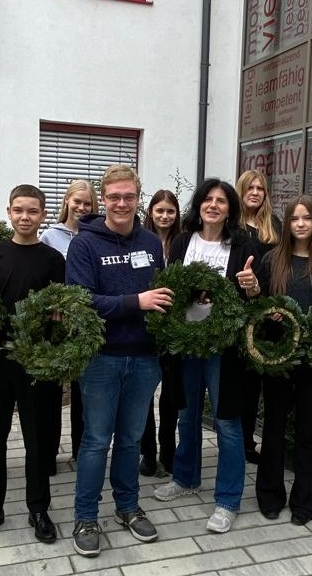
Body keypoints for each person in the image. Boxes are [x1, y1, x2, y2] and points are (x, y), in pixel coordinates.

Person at [67, 164, 172, 558]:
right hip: (101, 360)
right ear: (104, 200)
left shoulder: (150, 242)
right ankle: (85, 516)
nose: (122, 203)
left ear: (137, 197)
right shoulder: (85, 243)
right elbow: (80, 299)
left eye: (129, 196)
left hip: (144, 358)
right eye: (114, 197)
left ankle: (128, 507)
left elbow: (161, 295)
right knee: (96, 441)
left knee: (130, 440)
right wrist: (135, 303)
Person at [153, 178, 259, 534]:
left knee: (228, 421)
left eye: (222, 201)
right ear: (198, 205)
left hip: (224, 346)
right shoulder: (183, 241)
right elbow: (173, 287)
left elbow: (252, 296)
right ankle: (186, 478)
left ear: (231, 208)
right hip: (187, 341)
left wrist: (252, 288)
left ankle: (227, 500)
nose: (214, 205)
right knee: (187, 413)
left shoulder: (244, 243)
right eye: (208, 200)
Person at [0, 185, 65, 546]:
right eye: (19, 210)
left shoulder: (53, 260)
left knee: (38, 440)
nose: (25, 217)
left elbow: (63, 309)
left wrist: (59, 315)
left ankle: (38, 507)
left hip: (36, 362)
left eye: (32, 211)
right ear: (8, 212)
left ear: (43, 214)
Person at [253, 195, 312, 526]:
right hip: (279, 358)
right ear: (286, 223)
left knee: (307, 429)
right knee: (273, 428)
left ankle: (305, 501)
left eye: (307, 218)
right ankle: (269, 495)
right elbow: (258, 307)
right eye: (294, 219)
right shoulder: (272, 261)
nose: (301, 224)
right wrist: (267, 313)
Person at [40, 179, 99, 467]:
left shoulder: (94, 236)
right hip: (56, 321)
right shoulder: (50, 236)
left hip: (84, 322)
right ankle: (48, 454)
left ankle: (80, 452)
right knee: (50, 392)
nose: (81, 207)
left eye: (87, 203)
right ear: (66, 202)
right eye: (77, 202)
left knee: (82, 391)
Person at [235, 170, 281, 465]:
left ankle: (259, 441)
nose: (255, 192)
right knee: (245, 384)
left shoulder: (273, 225)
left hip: (269, 310)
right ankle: (242, 441)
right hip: (241, 311)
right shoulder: (234, 226)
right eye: (250, 188)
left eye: (260, 188)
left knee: (266, 380)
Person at [139, 189, 181, 476]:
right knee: (143, 396)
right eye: (160, 210)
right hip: (145, 328)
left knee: (170, 398)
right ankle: (148, 453)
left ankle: (168, 452)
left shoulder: (183, 243)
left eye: (170, 211)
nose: (165, 216)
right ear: (151, 213)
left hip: (175, 330)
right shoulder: (140, 243)